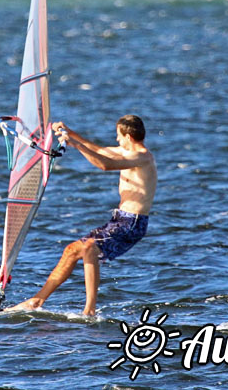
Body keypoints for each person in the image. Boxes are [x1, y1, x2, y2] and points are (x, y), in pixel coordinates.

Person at [10, 114, 157, 316]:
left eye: (118, 136)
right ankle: (37, 300)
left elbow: (105, 164)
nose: (116, 140)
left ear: (128, 136)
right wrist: (71, 134)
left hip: (132, 223)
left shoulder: (142, 157)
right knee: (72, 250)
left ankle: (89, 310)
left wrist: (76, 146)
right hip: (120, 219)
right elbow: (100, 151)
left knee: (88, 247)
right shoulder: (127, 152)